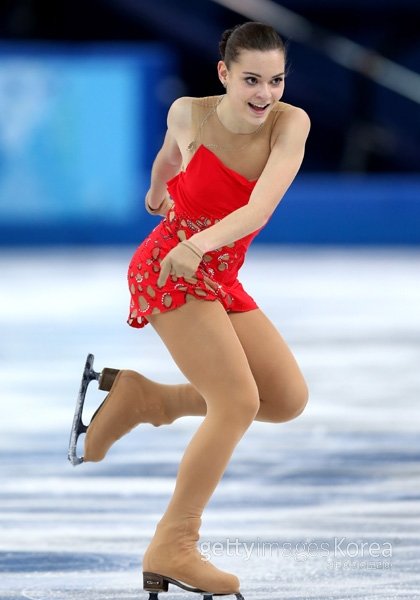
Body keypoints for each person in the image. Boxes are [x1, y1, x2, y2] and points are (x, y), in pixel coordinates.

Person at [81, 21, 310, 600]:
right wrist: (159, 199)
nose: (265, 94)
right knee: (236, 401)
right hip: (167, 269)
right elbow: (165, 159)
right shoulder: (188, 113)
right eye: (251, 79)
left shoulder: (291, 124)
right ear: (224, 74)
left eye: (276, 80)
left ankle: (146, 399)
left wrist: (198, 244)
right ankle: (174, 543)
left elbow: (258, 209)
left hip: (211, 266)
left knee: (284, 399)